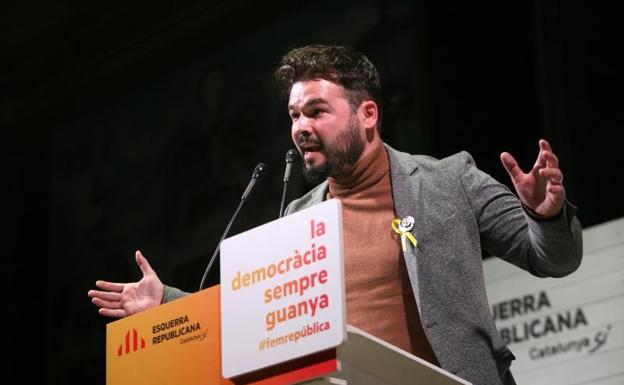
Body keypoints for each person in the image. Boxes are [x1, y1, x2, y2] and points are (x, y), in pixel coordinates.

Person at [89, 44, 582, 385]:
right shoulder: (297, 218)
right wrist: (169, 302)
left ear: (367, 114)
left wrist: (545, 216)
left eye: (317, 112)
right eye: (293, 116)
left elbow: (554, 260)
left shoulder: (448, 180)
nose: (301, 127)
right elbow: (245, 315)